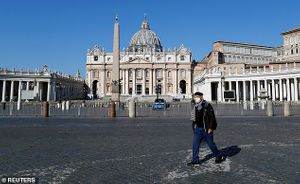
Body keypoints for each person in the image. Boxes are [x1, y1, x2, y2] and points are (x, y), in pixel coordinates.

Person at [187, 92, 225, 165]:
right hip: (198, 129)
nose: (196, 98)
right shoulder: (195, 106)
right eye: (195, 97)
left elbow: (212, 117)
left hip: (206, 129)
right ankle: (195, 160)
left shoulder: (207, 105)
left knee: (211, 144)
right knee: (195, 145)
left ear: (201, 97)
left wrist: (211, 127)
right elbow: (194, 118)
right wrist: (194, 126)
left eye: (197, 97)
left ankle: (218, 155)